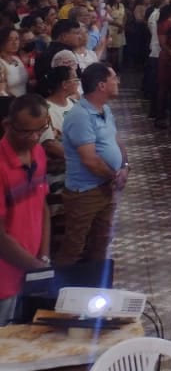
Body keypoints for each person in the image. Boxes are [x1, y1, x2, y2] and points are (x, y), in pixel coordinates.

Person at [55, 63, 127, 267]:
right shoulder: (80, 116)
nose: (117, 81)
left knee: (101, 241)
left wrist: (125, 166)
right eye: (113, 78)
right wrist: (114, 176)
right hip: (85, 192)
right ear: (101, 85)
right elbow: (90, 160)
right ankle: (63, 285)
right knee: (75, 246)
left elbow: (116, 140)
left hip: (105, 187)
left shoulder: (105, 109)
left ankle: (92, 281)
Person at [0, 95, 52, 326]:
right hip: (4, 279)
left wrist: (44, 257)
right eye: (26, 132)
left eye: (40, 130)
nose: (34, 138)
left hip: (32, 269)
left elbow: (43, 207)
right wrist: (37, 267)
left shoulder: (38, 153)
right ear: (7, 125)